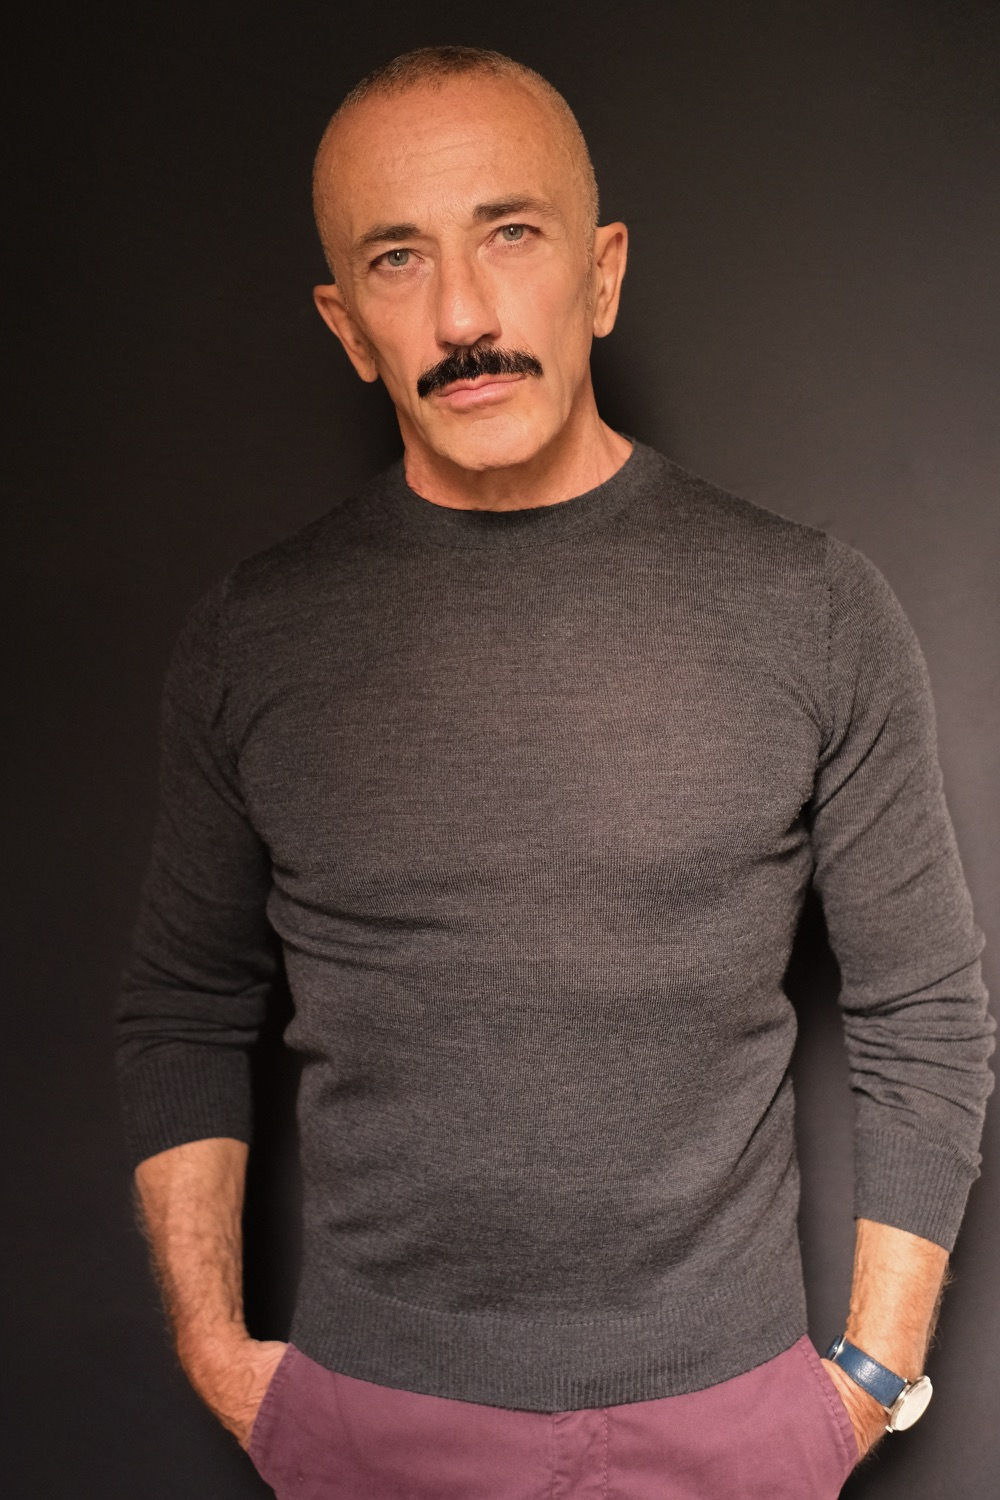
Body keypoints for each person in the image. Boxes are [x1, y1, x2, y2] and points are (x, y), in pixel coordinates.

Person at [116, 45, 993, 1499]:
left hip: (733, 1427)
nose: (463, 315)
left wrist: (864, 1388)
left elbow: (924, 1014)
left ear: (603, 274)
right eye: (398, 259)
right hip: (365, 1427)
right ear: (347, 327)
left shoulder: (813, 608)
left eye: (511, 234)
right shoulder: (251, 639)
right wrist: (222, 1359)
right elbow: (184, 1009)